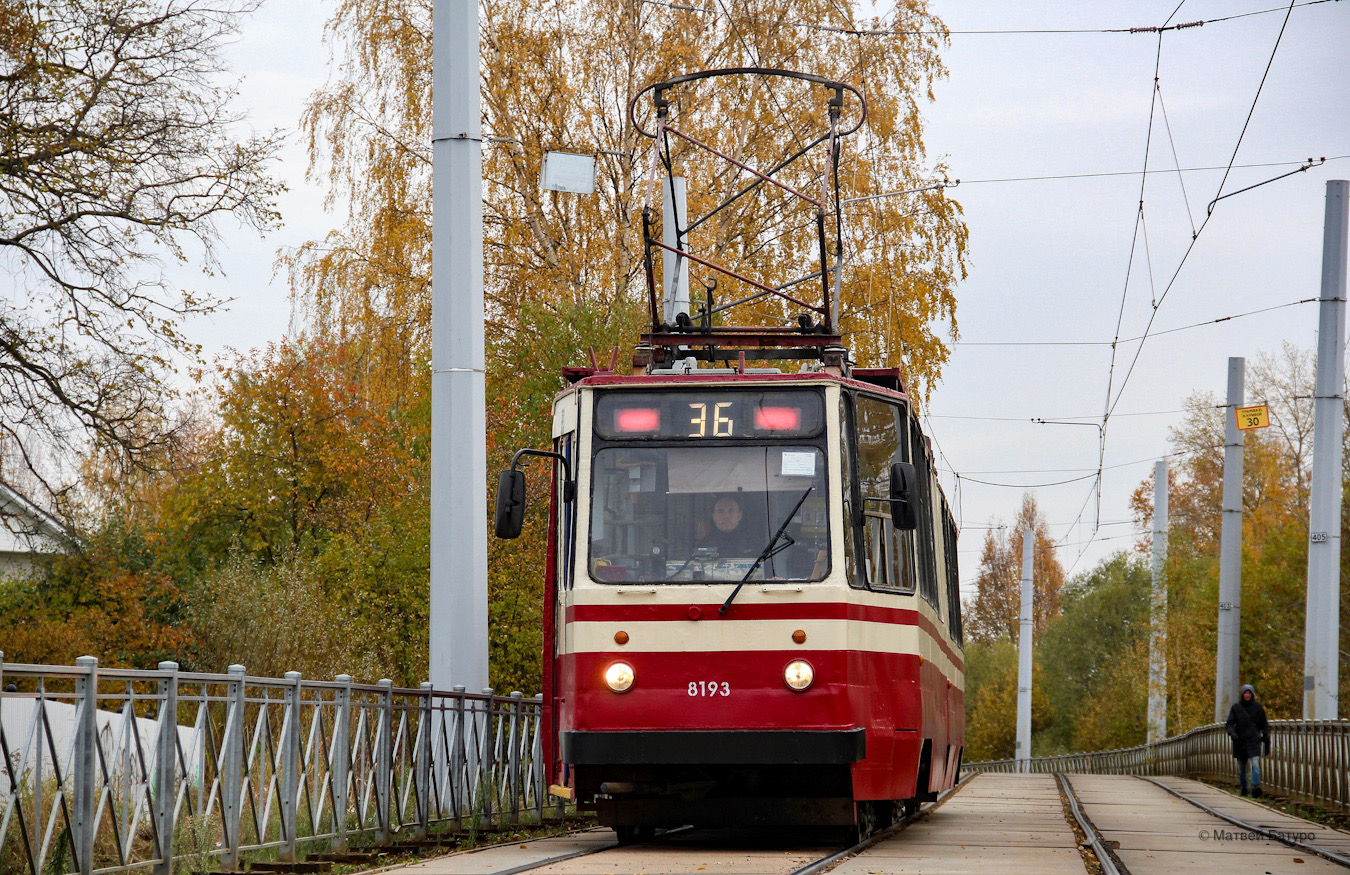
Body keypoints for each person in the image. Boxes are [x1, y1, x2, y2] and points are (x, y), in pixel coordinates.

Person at [1225, 684, 1270, 797]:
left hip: (1254, 740)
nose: (1247, 695)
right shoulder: (1236, 707)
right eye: (1245, 693)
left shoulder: (1258, 708)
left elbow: (1264, 724)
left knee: (1255, 764)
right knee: (1242, 768)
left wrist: (1265, 736)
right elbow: (1229, 724)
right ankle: (1244, 788)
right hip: (1240, 741)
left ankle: (1255, 787)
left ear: (1252, 694)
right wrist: (1233, 734)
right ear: (1242, 694)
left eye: (1249, 693)